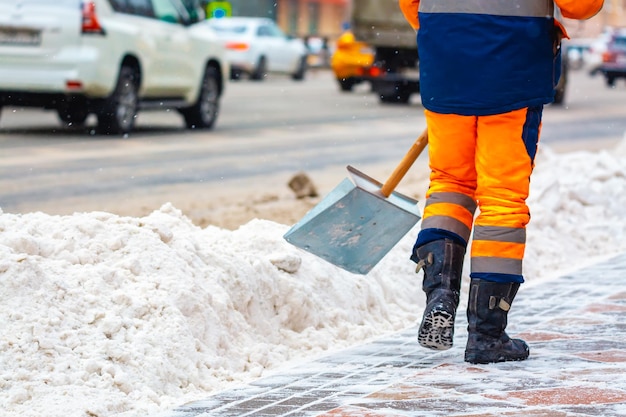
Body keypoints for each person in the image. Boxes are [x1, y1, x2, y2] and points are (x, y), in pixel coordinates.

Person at [398, 0, 604, 364]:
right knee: (502, 197)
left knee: (449, 183)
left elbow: (411, 5)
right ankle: (486, 335)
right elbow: (580, 6)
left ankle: (440, 293)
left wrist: (454, 39)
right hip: (512, 68)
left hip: (446, 62)